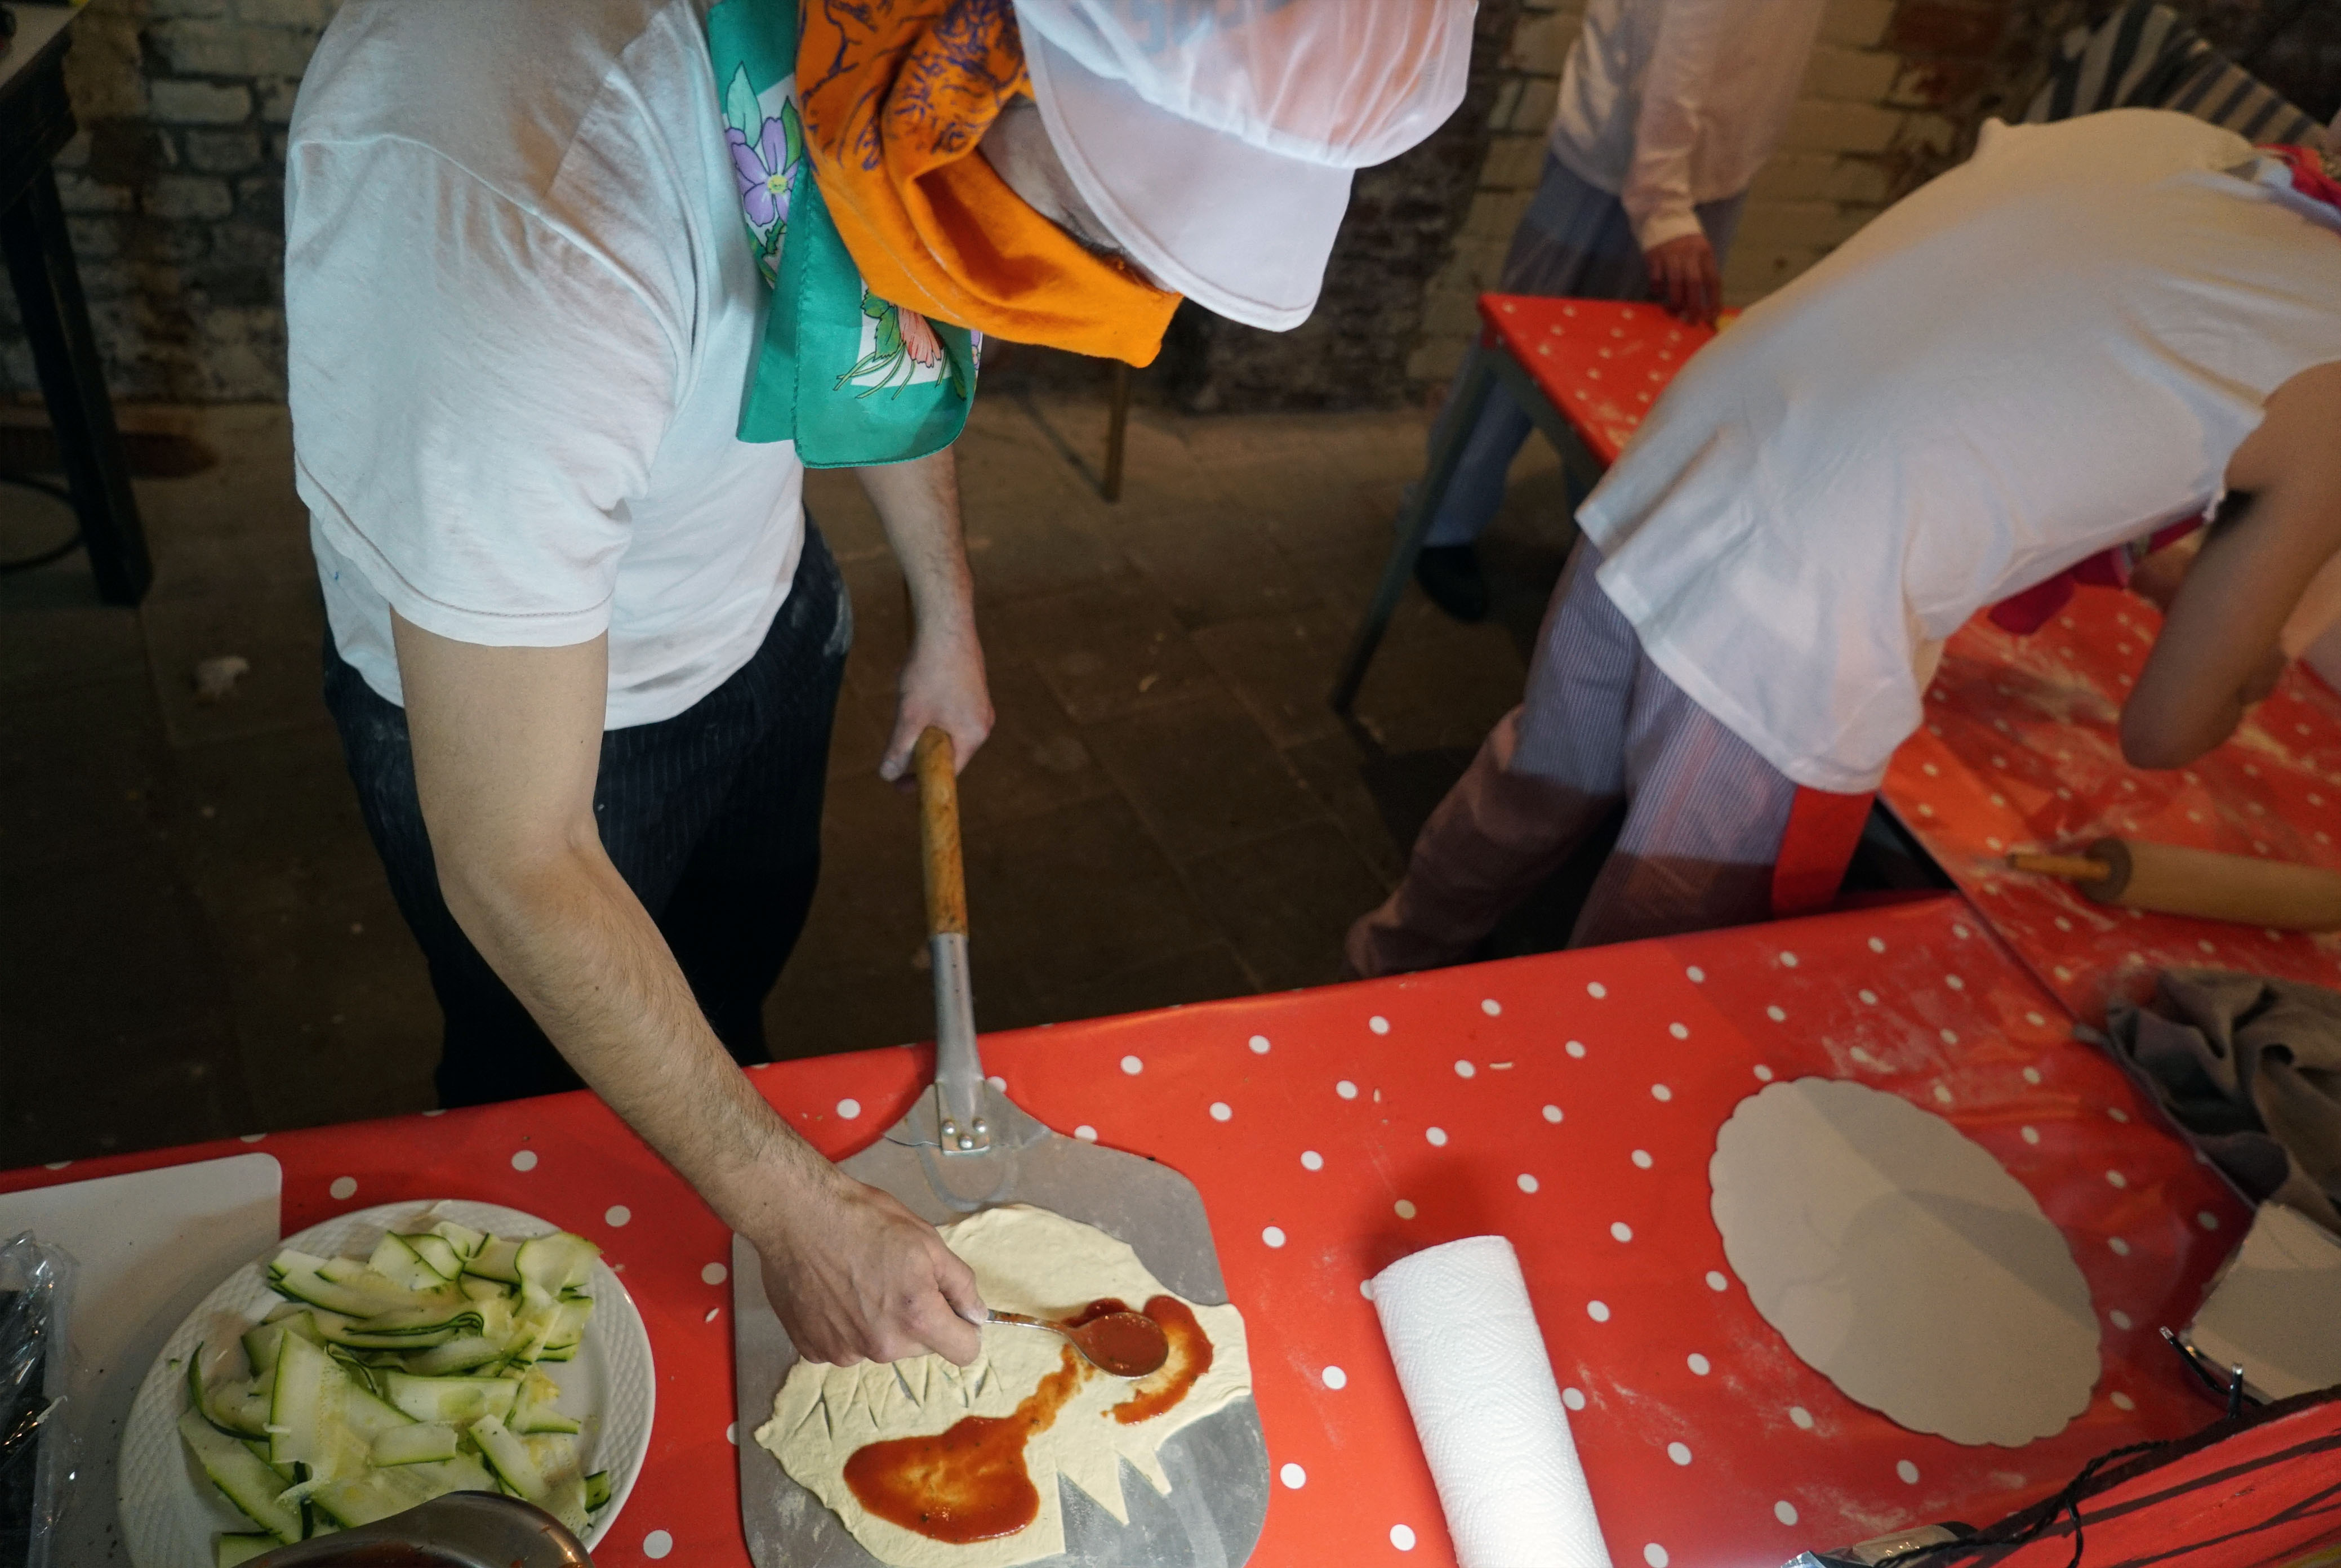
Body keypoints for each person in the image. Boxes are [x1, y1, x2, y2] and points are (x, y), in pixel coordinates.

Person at [285, 0, 1472, 1369]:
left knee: (725, 984)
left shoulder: (883, 63)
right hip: (542, 738)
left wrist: (943, 608)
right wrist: (791, 1213)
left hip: (759, 614)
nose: (1092, 275)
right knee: (538, 1099)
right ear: (984, 51)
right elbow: (515, 853)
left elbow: (893, 278)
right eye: (1083, 228)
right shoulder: (520, 208)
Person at [1347, 111, 2341, 974]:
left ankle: (1387, 958)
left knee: (1541, 777)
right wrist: (2247, 664)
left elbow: (2038, 374)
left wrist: (2174, 574)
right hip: (1801, 611)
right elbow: (2162, 731)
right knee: (1665, 931)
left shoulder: (2172, 142)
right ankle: (1560, 1085)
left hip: (1687, 465)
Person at [1411, 0, 1830, 622]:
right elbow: (1682, 27)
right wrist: (1663, 204)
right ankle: (1440, 521)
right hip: (1617, 159)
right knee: (1519, 352)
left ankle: (1596, 534)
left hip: (1712, 161)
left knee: (1642, 377)